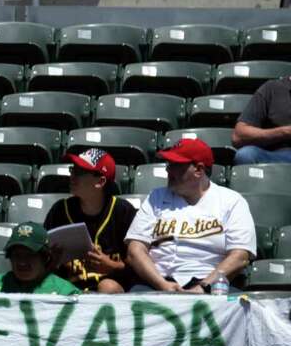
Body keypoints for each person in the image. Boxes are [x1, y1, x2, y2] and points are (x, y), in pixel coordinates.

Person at [125, 138, 256, 293]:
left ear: (198, 170)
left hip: (211, 285)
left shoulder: (231, 201)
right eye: (168, 164)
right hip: (157, 282)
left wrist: (204, 286)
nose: (168, 170)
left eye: (175, 165)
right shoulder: (156, 197)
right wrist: (162, 285)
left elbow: (240, 256)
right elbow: (135, 250)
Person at [42, 149, 137, 294]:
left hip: (108, 298)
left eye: (79, 172)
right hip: (68, 291)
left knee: (108, 286)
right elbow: (41, 264)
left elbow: (138, 265)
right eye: (72, 170)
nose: (72, 176)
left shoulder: (123, 211)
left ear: (100, 181)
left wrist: (112, 266)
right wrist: (51, 261)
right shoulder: (60, 210)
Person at [0, 222, 80, 295]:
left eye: (30, 255)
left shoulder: (65, 293)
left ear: (44, 257)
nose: (22, 262)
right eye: (16, 255)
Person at [232, 75, 291, 164]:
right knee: (246, 154)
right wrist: (285, 132)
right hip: (277, 156)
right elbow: (238, 136)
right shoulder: (272, 88)